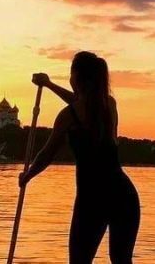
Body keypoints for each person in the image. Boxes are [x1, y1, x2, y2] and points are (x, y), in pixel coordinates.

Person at [19, 51, 141, 264]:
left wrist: (28, 175)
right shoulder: (109, 106)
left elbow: (46, 154)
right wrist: (49, 85)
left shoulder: (68, 116)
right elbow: (83, 101)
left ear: (76, 78)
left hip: (91, 199)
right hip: (123, 194)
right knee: (121, 260)